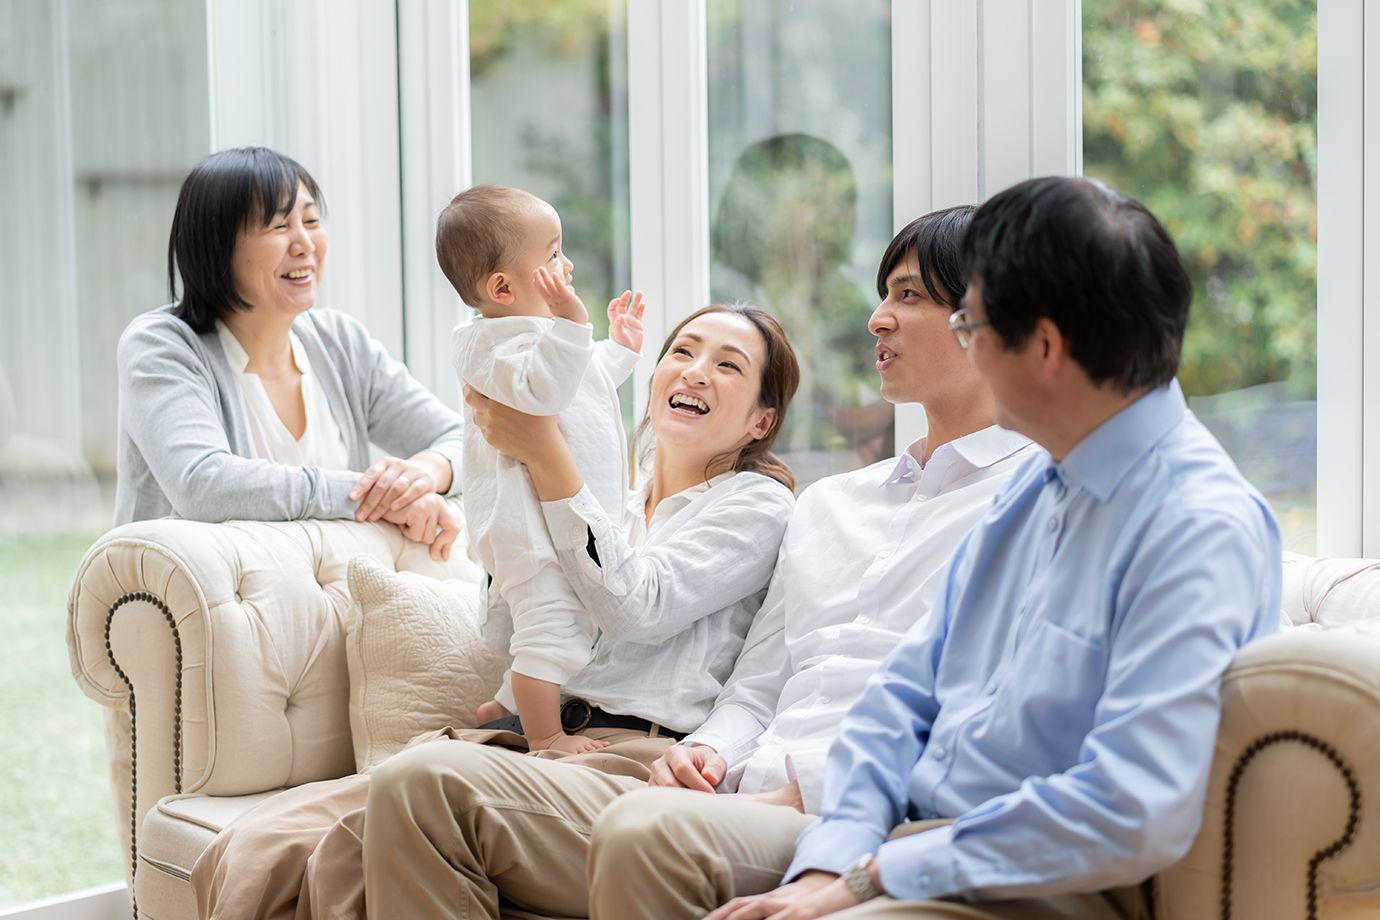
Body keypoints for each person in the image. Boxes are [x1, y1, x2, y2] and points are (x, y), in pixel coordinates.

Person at [591, 176, 1284, 920]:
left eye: (973, 329)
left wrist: (874, 872)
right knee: (650, 837)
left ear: (1045, 346)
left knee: (648, 836)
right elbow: (905, 697)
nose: (964, 348)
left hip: (1040, 871)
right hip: (917, 831)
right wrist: (832, 860)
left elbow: (1130, 808)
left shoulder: (1196, 524)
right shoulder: (1038, 490)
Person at [358, 204, 1035, 919]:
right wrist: (711, 751)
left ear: (987, 321)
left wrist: (799, 789)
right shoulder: (834, 504)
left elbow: (987, 701)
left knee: (606, 823)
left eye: (909, 296)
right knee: (388, 794)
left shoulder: (1030, 499)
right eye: (680, 352)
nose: (876, 319)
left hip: (837, 804)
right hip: (734, 784)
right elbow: (761, 680)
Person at [190, 301, 800, 919]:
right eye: (683, 352)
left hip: (623, 758)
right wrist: (502, 510)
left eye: (728, 366)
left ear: (761, 420)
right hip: (517, 740)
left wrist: (545, 454)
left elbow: (637, 605)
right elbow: (505, 626)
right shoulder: (612, 490)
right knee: (255, 846)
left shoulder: (755, 506)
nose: (696, 371)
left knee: (350, 849)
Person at [115, 147, 464, 559]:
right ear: (216, 245)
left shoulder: (339, 344)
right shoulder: (161, 345)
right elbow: (204, 484)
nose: (305, 244)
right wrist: (371, 497)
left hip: (327, 604)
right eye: (279, 226)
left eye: (312, 221)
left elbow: (465, 439)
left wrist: (422, 473)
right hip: (199, 609)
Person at [440, 184, 648, 753]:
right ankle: (548, 737)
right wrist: (574, 322)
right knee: (551, 631)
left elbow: (579, 383)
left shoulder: (539, 338)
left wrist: (618, 351)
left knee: (566, 624)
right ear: (501, 288)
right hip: (525, 530)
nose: (568, 264)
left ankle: (500, 708)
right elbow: (543, 389)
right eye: (553, 255)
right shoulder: (487, 346)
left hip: (560, 523)